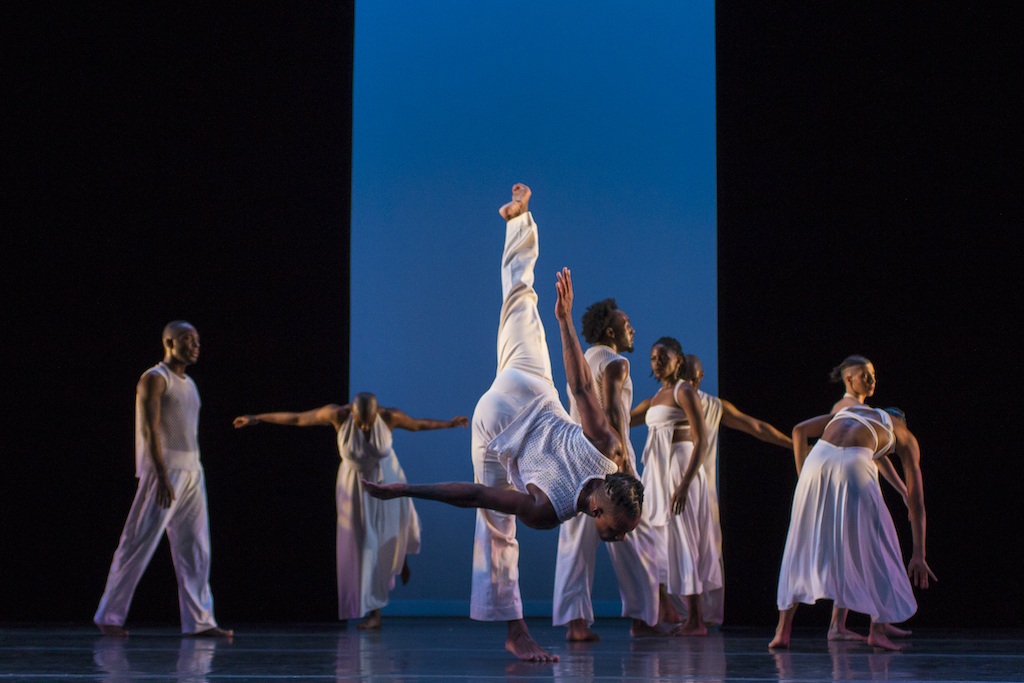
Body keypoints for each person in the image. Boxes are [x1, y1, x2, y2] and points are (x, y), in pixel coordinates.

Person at [363, 184, 644, 662]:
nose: (618, 537)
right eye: (619, 530)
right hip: (495, 424)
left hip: (529, 384)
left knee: (520, 299)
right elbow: (473, 495)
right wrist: (403, 491)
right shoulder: (546, 512)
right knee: (496, 530)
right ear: (599, 511)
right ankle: (516, 633)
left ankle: (520, 222)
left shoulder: (607, 446)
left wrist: (564, 320)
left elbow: (578, 388)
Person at [232, 393, 468, 630]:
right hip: (353, 487)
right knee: (365, 544)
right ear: (351, 413)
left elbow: (417, 425)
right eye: (360, 421)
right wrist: (258, 418)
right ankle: (375, 612)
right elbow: (297, 419)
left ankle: (399, 557)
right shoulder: (337, 415)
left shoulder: (388, 416)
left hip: (386, 478)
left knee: (395, 529)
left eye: (369, 421)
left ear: (377, 413)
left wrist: (449, 423)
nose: (365, 427)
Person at [94, 321, 231, 638]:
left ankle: (200, 622)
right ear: (169, 342)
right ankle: (108, 616)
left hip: (193, 471)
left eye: (197, 339)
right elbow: (148, 430)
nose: (195, 344)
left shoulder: (191, 383)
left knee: (196, 547)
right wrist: (159, 474)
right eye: (187, 339)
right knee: (138, 542)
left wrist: (191, 473)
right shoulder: (154, 379)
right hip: (164, 471)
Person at [769, 406, 936, 651]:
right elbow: (918, 502)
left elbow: (800, 430)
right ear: (901, 422)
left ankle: (782, 631)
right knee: (880, 545)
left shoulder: (851, 411)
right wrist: (919, 555)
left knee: (799, 544)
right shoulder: (904, 435)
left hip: (814, 462)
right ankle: (877, 631)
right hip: (853, 464)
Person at [552, 299, 664, 641]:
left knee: (576, 542)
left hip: (577, 459)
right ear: (611, 331)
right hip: (609, 458)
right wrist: (625, 464)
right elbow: (614, 410)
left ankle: (576, 624)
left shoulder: (586, 358)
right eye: (626, 322)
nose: (633, 329)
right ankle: (643, 618)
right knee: (635, 535)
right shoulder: (616, 362)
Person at [677, 354, 792, 626]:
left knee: (699, 548)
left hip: (697, 486)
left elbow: (757, 427)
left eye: (691, 379)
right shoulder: (665, 400)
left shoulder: (711, 405)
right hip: (669, 483)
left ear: (699, 378)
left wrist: (794, 445)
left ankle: (696, 616)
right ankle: (674, 614)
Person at [630, 338, 720, 636]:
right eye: (653, 357)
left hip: (681, 471)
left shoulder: (685, 391)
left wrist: (684, 485)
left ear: (678, 360)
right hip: (657, 473)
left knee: (683, 539)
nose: (656, 362)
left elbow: (702, 440)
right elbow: (622, 420)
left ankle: (695, 620)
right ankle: (664, 609)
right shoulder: (657, 396)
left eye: (662, 356)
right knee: (657, 540)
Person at [825, 355, 910, 642]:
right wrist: (903, 491)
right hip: (848, 485)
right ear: (849, 379)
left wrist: (901, 490)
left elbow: (878, 455)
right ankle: (870, 622)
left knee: (852, 551)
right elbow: (878, 456)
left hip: (854, 482)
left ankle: (873, 621)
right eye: (865, 375)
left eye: (873, 374)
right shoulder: (847, 407)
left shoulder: (861, 409)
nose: (872, 380)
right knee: (869, 549)